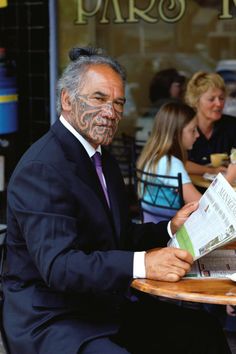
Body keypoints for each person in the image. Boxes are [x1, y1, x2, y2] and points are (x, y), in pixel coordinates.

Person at [2, 47, 231, 354]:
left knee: (202, 330)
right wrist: (143, 263)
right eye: (98, 98)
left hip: (102, 307)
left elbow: (117, 236)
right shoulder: (42, 168)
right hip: (53, 319)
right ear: (67, 101)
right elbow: (60, 266)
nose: (111, 112)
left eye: (118, 102)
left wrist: (168, 229)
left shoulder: (101, 158)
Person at [137, 101, 201, 223]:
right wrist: (229, 178)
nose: (197, 135)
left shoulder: (153, 157)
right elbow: (203, 207)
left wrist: (211, 170)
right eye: (193, 130)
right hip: (170, 233)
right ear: (176, 134)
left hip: (150, 225)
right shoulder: (172, 164)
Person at [185, 71, 236, 175]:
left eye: (221, 98)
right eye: (211, 99)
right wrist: (210, 171)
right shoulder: (185, 127)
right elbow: (177, 162)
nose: (218, 104)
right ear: (196, 101)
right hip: (191, 188)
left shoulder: (232, 125)